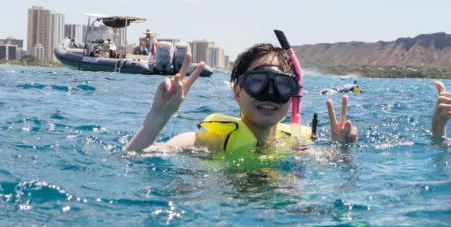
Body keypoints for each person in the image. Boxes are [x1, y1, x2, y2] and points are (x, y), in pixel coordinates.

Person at [123, 43, 359, 154]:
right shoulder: (208, 142)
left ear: (292, 97)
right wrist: (158, 117)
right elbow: (130, 159)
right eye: (257, 82)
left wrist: (341, 151)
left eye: (282, 86)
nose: (269, 95)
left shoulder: (299, 144)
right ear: (237, 92)